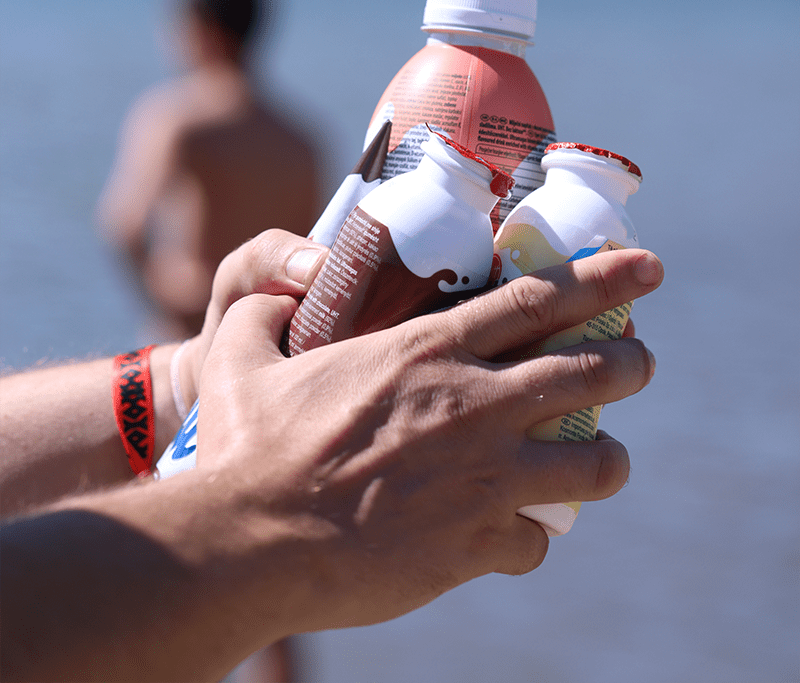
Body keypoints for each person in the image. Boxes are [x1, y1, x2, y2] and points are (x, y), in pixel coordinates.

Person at [0, 228, 662, 683]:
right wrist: (278, 516)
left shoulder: (176, 118)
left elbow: (123, 219)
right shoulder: (293, 135)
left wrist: (188, 386)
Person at [96, 0, 324, 343]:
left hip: (191, 332)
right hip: (267, 339)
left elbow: (123, 225)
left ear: (202, 27)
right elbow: (311, 255)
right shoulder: (303, 141)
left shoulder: (176, 119)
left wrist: (167, 308)